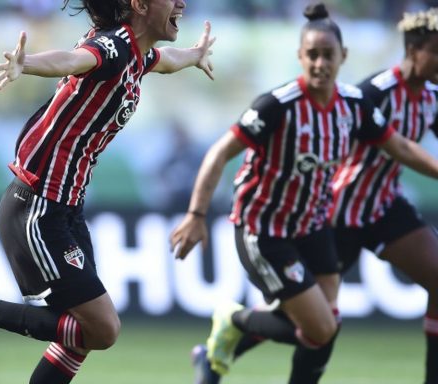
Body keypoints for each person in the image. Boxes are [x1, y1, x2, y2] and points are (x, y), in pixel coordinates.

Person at [170, 3, 438, 384]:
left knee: (323, 325)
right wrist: (196, 215)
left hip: (330, 219)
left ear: (342, 57)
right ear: (300, 57)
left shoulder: (356, 105)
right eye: (312, 55)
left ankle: (222, 345)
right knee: (320, 327)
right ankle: (230, 324)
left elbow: (402, 147)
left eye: (328, 55)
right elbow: (220, 152)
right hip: (288, 223)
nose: (319, 64)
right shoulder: (281, 105)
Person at [0, 1, 215, 383]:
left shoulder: (137, 56)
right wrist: (26, 65)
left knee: (80, 337)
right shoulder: (116, 47)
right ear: (140, 5)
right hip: (37, 207)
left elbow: (166, 60)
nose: (181, 2)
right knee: (101, 329)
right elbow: (73, 59)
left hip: (65, 209)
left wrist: (194, 56)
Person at [331, 7, 438, 384]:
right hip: (338, 211)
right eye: (437, 52)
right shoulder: (374, 92)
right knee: (303, 317)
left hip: (383, 206)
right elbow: (333, 138)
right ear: (414, 50)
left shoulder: (431, 97)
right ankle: (229, 336)